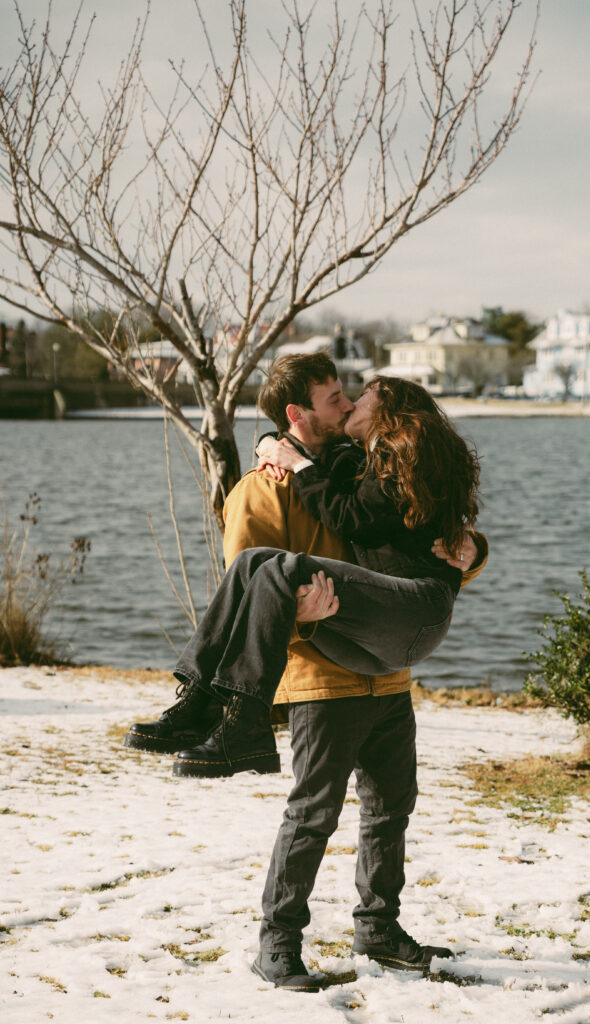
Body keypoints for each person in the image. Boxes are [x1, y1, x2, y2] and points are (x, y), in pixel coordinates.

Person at [124, 354, 488, 992]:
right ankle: (278, 945)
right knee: (312, 813)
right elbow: (246, 597)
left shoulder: (360, 462)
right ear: (298, 413)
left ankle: (380, 929)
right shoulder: (260, 489)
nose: (347, 406)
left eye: (352, 396)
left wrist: (471, 549)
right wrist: (301, 618)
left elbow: (411, 532)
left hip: (387, 668)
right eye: (334, 398)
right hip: (324, 676)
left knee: (390, 809)